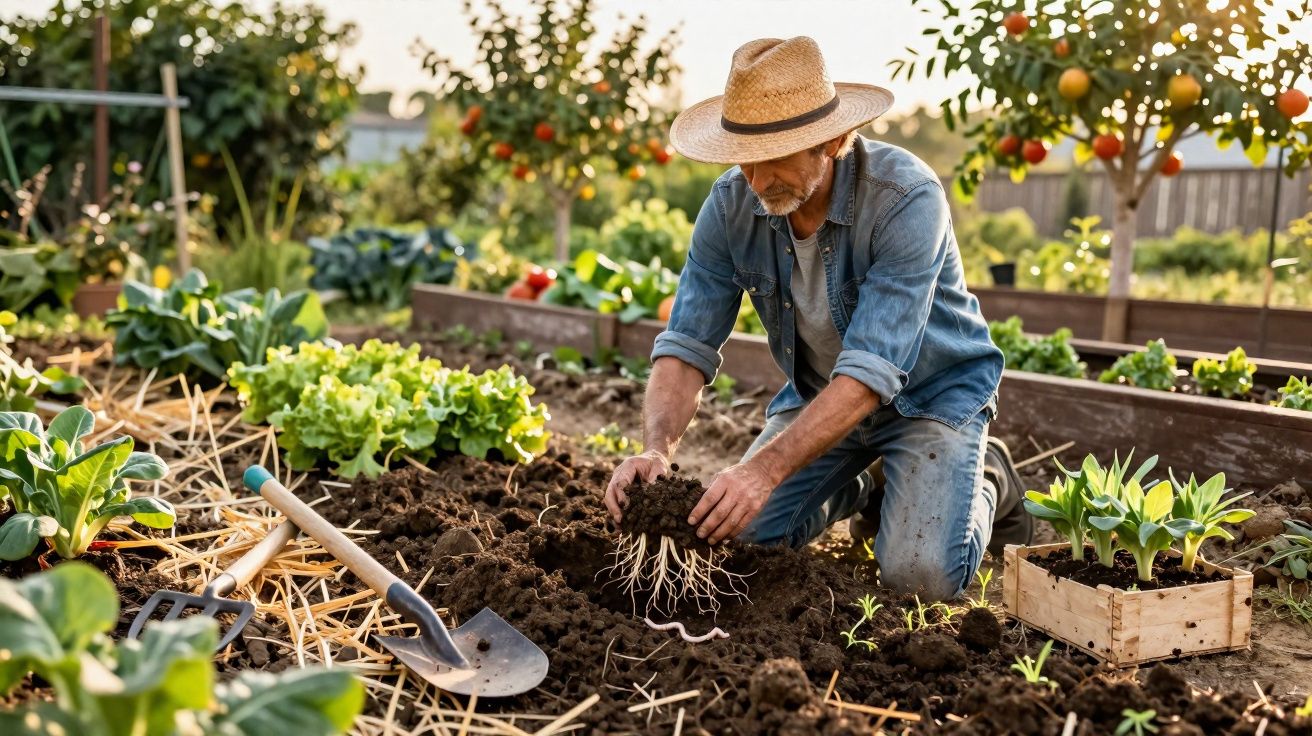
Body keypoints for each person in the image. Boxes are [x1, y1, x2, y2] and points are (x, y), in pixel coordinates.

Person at [603, 36, 1032, 601]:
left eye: (775, 157)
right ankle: (858, 479)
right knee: (736, 541)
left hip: (933, 398)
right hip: (820, 399)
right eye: (744, 159)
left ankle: (987, 476)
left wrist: (764, 471)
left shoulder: (905, 198)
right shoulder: (731, 205)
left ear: (831, 139)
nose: (756, 181)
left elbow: (872, 370)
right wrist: (656, 447)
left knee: (919, 579)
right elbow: (686, 343)